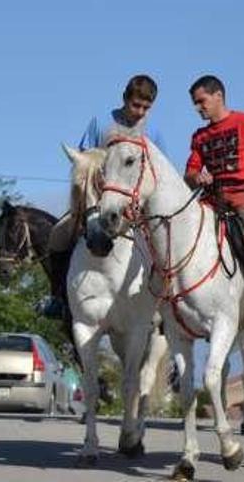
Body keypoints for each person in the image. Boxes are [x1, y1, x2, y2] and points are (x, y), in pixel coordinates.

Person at [42, 75, 159, 316]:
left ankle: (164, 300)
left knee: (163, 242)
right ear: (125, 99)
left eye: (146, 108)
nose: (140, 112)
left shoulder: (152, 132)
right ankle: (58, 298)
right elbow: (83, 161)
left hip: (134, 206)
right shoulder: (101, 123)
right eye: (136, 105)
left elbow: (158, 172)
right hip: (97, 201)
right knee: (57, 237)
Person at [184, 75, 244, 330]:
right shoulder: (199, 137)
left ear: (218, 96)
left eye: (201, 101)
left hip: (243, 196)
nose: (198, 108)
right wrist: (197, 177)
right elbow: (190, 173)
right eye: (195, 104)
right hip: (212, 199)